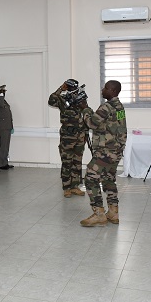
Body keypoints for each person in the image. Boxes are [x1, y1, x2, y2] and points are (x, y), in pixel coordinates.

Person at [79, 80, 127, 227]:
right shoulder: (118, 106)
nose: (102, 89)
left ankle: (99, 213)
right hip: (117, 150)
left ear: (112, 91)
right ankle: (113, 212)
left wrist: (85, 109)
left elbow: (91, 123)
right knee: (108, 179)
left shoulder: (106, 106)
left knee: (90, 178)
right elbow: (105, 123)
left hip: (106, 152)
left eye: (106, 88)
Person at [48, 79, 87, 198]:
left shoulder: (81, 98)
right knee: (67, 162)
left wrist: (85, 132)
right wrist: (61, 89)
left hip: (80, 135)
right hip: (67, 136)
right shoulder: (62, 99)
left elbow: (85, 113)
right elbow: (51, 100)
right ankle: (66, 187)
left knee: (77, 162)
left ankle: (75, 186)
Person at [0, 85, 14, 170]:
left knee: (5, 146)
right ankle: (1, 163)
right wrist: (0, 96)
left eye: (4, 92)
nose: (4, 94)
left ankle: (4, 162)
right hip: (2, 128)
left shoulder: (4, 101)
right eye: (2, 92)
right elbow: (1, 105)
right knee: (2, 146)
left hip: (7, 127)